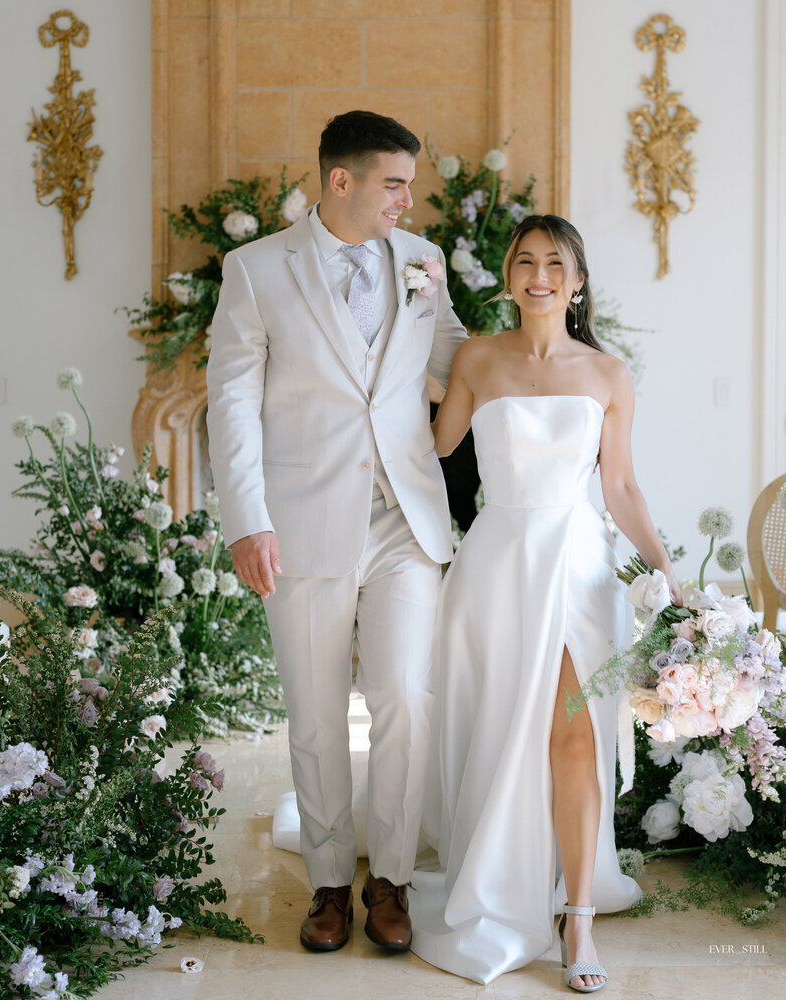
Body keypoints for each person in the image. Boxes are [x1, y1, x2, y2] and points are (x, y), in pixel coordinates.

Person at [205, 110, 467, 954]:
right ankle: (327, 881)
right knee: (315, 712)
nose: (408, 200)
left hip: (404, 519)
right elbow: (230, 404)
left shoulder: (422, 261)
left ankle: (389, 876)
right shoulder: (255, 271)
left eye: (410, 185)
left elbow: (457, 363)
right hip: (303, 522)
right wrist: (248, 520)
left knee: (403, 697)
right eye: (395, 183)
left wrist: (557, 375)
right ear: (340, 180)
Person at [408, 215, 681, 990]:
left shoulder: (608, 374)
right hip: (495, 567)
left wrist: (664, 571)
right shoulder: (477, 358)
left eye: (555, 264)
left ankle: (578, 917)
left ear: (578, 282)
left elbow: (619, 486)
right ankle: (501, 874)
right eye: (525, 261)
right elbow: (434, 450)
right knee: (499, 732)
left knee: (574, 736)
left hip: (580, 568)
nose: (538, 276)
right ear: (508, 276)